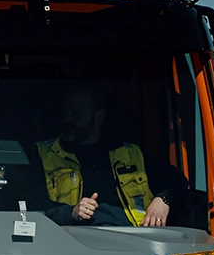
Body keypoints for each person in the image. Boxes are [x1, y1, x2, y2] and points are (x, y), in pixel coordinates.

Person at [36, 86, 183, 227]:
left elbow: (176, 179)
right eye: (65, 112)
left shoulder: (130, 153)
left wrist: (162, 200)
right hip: (70, 241)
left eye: (76, 113)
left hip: (134, 240)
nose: (67, 119)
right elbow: (31, 202)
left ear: (99, 117)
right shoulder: (44, 154)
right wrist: (70, 212)